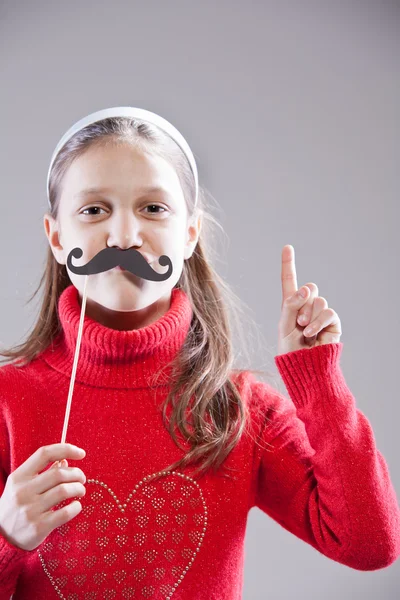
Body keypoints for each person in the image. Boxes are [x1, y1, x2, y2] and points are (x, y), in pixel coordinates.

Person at [0, 108, 398, 599]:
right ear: (58, 237)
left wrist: (317, 379)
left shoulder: (240, 410)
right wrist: (7, 538)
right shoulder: (7, 402)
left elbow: (368, 543)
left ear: (189, 233)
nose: (124, 237)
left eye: (153, 209)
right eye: (93, 210)